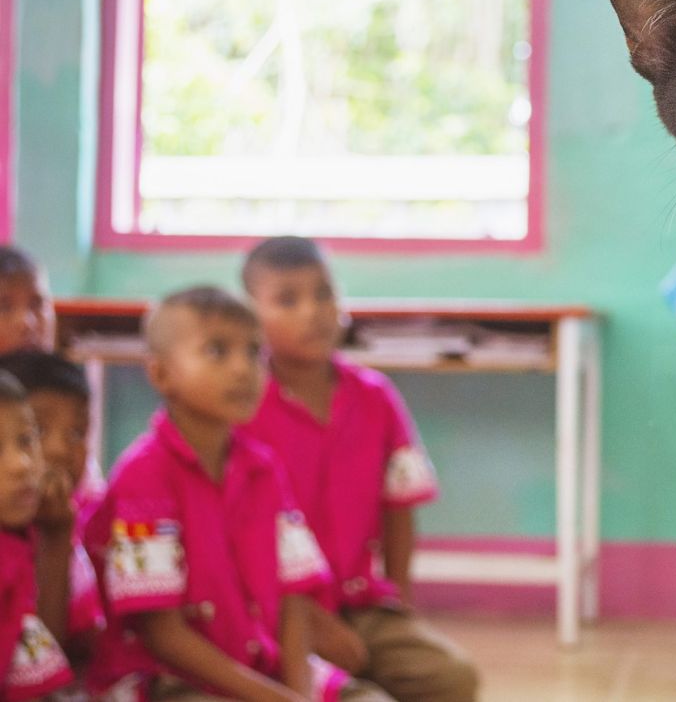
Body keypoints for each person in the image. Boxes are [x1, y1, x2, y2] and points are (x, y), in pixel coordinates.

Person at [82, 286, 389, 702]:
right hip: (170, 681)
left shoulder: (264, 469)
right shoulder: (144, 476)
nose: (243, 370)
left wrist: (297, 691)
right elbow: (163, 635)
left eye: (254, 353)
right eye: (217, 352)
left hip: (262, 668)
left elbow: (292, 601)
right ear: (160, 374)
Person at [239, 237, 478, 702]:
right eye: (288, 300)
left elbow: (399, 511)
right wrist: (306, 619)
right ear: (251, 315)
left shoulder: (375, 397)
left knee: (453, 679)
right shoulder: (244, 408)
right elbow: (240, 534)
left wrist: (401, 604)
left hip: (360, 603)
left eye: (324, 294)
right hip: (274, 615)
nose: (312, 312)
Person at [0, 350, 105, 679]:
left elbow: (54, 659)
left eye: (77, 434)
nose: (60, 449)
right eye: (41, 431)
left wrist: (58, 534)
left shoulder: (65, 518)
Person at [0, 370, 75, 699]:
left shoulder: (20, 538)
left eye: (27, 440)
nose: (22, 464)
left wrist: (57, 538)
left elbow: (42, 662)